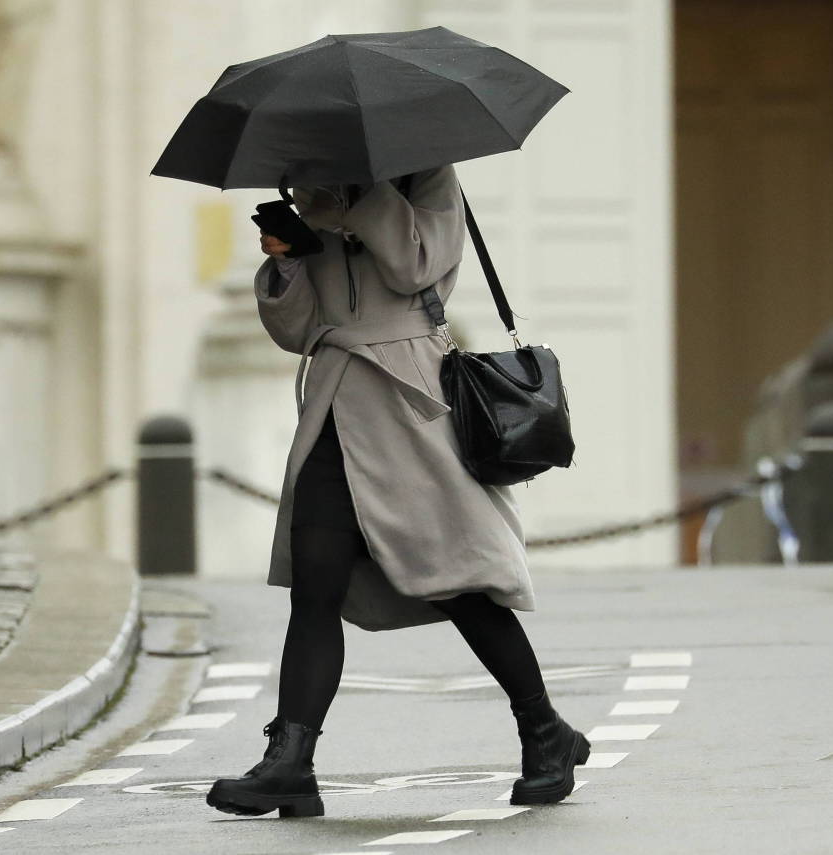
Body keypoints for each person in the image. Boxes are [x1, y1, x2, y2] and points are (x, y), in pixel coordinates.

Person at [206, 166, 589, 819]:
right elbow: (298, 331)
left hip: (410, 401)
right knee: (315, 587)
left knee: (458, 580)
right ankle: (290, 761)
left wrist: (365, 195)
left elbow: (415, 268)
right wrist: (289, 260)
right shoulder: (315, 187)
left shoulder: (429, 179)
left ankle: (545, 731)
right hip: (333, 405)